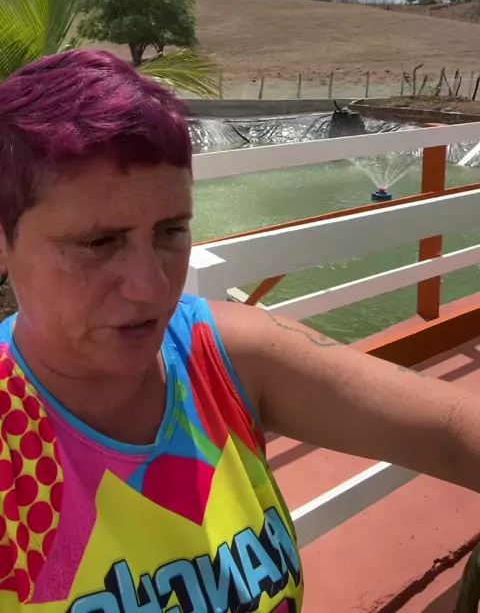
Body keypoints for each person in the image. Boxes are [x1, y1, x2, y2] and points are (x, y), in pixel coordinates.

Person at [0, 50, 479, 612]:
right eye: (97, 243)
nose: (152, 287)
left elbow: (449, 428)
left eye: (171, 231)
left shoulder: (222, 355)